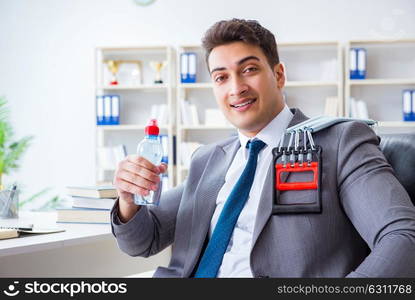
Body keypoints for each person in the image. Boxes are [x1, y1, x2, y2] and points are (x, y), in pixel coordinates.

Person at [111, 19, 415, 278]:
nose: (236, 87)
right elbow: (142, 241)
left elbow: (403, 237)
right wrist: (128, 200)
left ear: (278, 75)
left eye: (249, 70)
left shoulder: (340, 142)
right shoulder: (207, 159)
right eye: (221, 77)